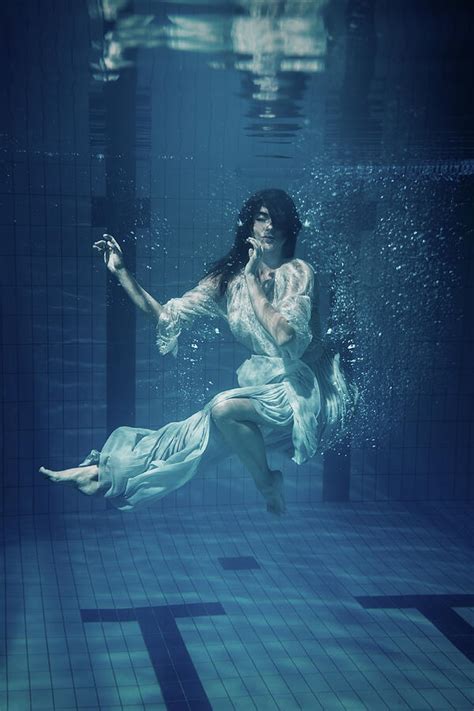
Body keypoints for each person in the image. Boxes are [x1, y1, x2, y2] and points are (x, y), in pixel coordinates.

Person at [39, 189, 354, 515]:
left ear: (290, 228)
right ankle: (105, 475)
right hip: (266, 390)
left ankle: (267, 483)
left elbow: (287, 337)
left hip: (305, 391)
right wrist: (121, 273)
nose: (269, 227)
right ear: (249, 225)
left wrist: (253, 282)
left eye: (278, 219)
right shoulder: (228, 281)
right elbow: (166, 315)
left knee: (222, 408)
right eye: (262, 218)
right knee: (194, 437)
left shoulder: (297, 271)